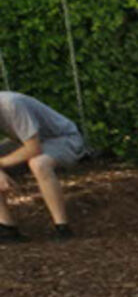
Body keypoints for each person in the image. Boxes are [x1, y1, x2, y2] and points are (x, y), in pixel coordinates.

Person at [0, 91, 85, 240]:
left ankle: (62, 228)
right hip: (26, 142)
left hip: (63, 138)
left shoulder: (11, 104)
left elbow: (34, 149)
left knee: (38, 163)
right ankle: (8, 229)